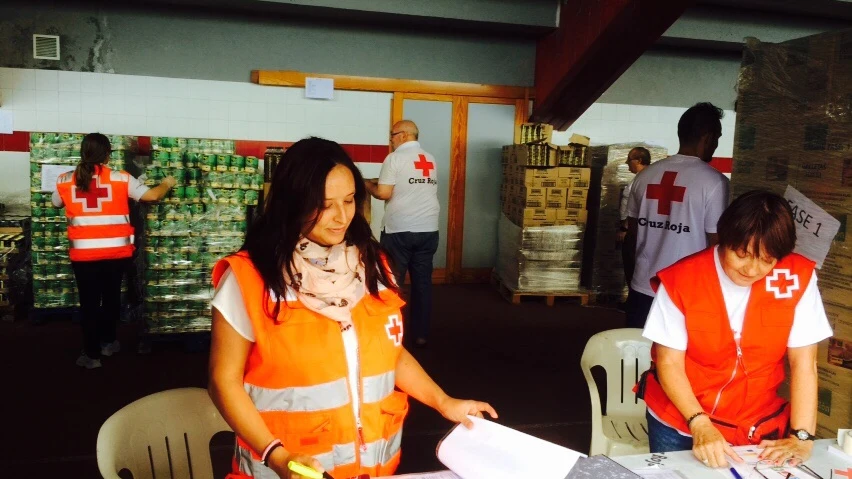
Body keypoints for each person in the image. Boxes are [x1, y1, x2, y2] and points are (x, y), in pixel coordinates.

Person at [208, 137, 496, 479]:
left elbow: (388, 351)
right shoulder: (249, 277)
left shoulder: (373, 265)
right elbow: (222, 380)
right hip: (286, 468)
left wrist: (443, 401)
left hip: (371, 469)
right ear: (292, 203)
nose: (341, 217)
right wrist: (277, 456)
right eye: (325, 205)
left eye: (348, 201)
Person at [640, 190, 833, 468]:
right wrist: (700, 424)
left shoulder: (796, 278)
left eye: (767, 260)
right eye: (743, 254)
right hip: (681, 419)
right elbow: (669, 362)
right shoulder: (683, 279)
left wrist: (801, 436)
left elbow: (804, 363)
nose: (753, 269)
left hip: (755, 422)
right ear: (723, 239)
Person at [53, 133, 176, 369]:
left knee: (89, 304)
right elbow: (152, 195)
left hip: (84, 256)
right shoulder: (121, 178)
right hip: (116, 254)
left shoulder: (65, 180)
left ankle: (92, 355)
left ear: (83, 152)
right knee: (110, 298)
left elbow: (56, 203)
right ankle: (109, 343)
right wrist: (167, 183)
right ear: (108, 154)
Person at [624, 102, 730, 328]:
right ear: (707, 136)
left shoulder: (644, 177)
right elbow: (717, 246)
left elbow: (631, 238)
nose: (716, 144)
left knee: (637, 357)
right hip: (687, 295)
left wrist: (634, 281)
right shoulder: (714, 182)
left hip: (642, 290)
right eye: (717, 137)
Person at [365, 120, 439, 347]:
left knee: (393, 283)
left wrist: (366, 184)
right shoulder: (430, 159)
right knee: (422, 284)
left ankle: (392, 335)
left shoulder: (394, 158)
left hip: (400, 231)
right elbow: (409, 186)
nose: (391, 140)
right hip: (428, 229)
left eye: (393, 135)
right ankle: (420, 335)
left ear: (405, 135)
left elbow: (383, 193)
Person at [617, 147, 651, 285]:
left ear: (639, 160)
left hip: (632, 229)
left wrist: (625, 228)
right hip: (631, 227)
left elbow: (635, 208)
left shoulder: (642, 180)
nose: (626, 163)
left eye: (629, 160)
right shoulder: (639, 179)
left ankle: (633, 298)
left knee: (631, 264)